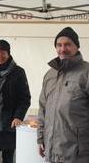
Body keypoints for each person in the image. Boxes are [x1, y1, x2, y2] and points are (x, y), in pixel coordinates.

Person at [37, 27, 89, 163]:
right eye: (59, 45)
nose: (63, 49)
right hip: (52, 150)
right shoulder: (50, 75)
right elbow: (43, 109)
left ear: (76, 47)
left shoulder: (86, 73)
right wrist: (40, 138)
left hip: (78, 153)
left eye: (67, 44)